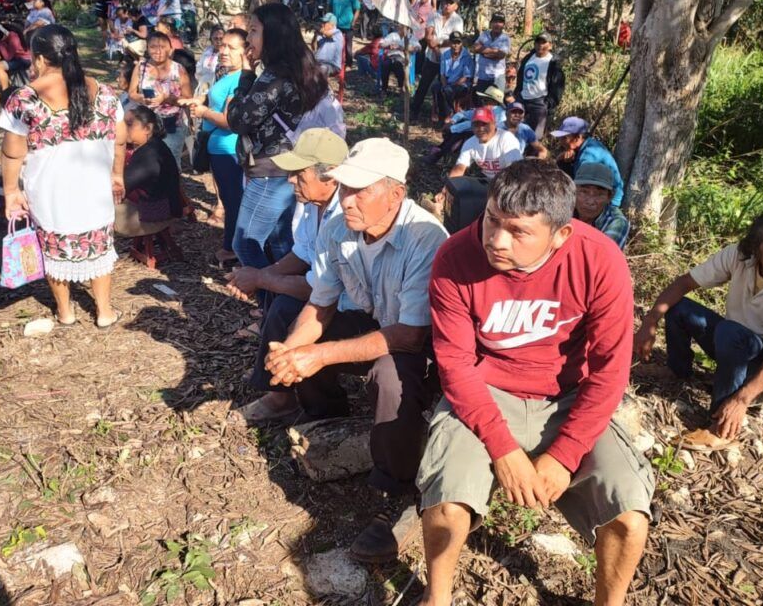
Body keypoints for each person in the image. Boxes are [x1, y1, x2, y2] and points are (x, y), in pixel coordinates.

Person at [416, 160, 654, 606]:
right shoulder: (454, 258)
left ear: (561, 234)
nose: (496, 240)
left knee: (629, 513)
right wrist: (504, 450)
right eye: (491, 220)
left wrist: (564, 456)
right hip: (485, 392)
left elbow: (609, 370)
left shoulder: (600, 260)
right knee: (447, 499)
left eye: (519, 232)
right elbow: (456, 365)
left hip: (569, 396)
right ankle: (438, 596)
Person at [257, 138, 448, 562]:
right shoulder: (337, 229)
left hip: (427, 341)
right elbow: (320, 304)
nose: (347, 201)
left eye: (361, 190)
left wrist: (320, 355)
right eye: (344, 188)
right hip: (381, 320)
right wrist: (291, 352)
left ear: (396, 193)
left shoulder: (426, 239)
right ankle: (326, 421)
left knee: (391, 376)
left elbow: (412, 336)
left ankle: (396, 493)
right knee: (302, 331)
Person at [634, 211, 763, 450]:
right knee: (681, 307)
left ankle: (720, 427)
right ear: (756, 248)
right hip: (735, 342)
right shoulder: (739, 257)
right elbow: (684, 283)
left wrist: (741, 400)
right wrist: (650, 323)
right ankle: (678, 371)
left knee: (731, 333)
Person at [0, 25, 126, 328]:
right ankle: (105, 311)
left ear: (40, 59)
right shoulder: (106, 92)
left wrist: (10, 191)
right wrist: (117, 174)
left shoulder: (24, 98)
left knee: (53, 250)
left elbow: (12, 153)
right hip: (95, 189)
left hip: (50, 192)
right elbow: (120, 140)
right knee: (99, 246)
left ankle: (66, 311)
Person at [228, 129, 350, 422]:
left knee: (288, 309)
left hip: (354, 303)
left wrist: (260, 278)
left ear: (330, 176)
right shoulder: (313, 205)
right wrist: (259, 274)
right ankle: (277, 377)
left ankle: (308, 405)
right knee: (279, 297)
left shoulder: (346, 215)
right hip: (331, 292)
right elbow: (303, 253)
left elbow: (322, 290)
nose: (291, 180)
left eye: (299, 173)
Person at [226, 3, 328, 283]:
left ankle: (269, 300)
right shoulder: (298, 68)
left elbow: (238, 119)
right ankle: (283, 311)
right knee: (281, 244)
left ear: (273, 35)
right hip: (285, 166)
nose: (249, 40)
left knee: (245, 243)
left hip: (270, 171)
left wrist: (246, 75)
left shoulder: (274, 76)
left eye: (254, 31)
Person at [185, 28, 256, 265]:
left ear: (245, 51)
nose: (223, 51)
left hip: (227, 149)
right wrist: (201, 100)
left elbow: (229, 121)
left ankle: (232, 249)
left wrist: (204, 112)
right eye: (222, 45)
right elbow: (216, 97)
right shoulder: (228, 74)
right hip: (218, 148)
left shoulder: (240, 81)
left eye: (231, 47)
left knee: (233, 199)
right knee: (229, 197)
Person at [114, 105, 183, 238]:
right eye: (123, 124)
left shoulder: (149, 155)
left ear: (147, 128)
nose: (123, 128)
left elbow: (121, 188)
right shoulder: (154, 146)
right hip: (164, 207)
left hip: (156, 215)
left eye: (129, 124)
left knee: (97, 208)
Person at [127, 31, 193, 167]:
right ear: (147, 48)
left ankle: (173, 187)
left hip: (173, 123)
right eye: (153, 47)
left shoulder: (178, 69)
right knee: (145, 160)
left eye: (162, 47)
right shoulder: (141, 68)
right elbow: (132, 93)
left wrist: (167, 98)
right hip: (146, 123)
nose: (158, 51)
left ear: (170, 49)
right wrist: (143, 99)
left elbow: (187, 99)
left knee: (170, 162)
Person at [412, 0, 464, 120]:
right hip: (432, 57)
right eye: (445, 2)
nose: (447, 5)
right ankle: (413, 112)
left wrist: (438, 42)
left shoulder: (458, 20)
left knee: (443, 88)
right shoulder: (433, 15)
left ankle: (442, 116)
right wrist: (435, 49)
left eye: (450, 3)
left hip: (447, 60)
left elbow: (455, 40)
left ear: (455, 6)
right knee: (423, 85)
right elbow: (428, 36)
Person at [551, 116, 624, 207]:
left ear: (577, 137)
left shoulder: (588, 155)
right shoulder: (585, 147)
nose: (561, 142)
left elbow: (582, 186)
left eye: (564, 138)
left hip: (608, 201)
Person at [447, 107, 523, 182]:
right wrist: (446, 190)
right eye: (476, 124)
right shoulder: (470, 143)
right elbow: (459, 168)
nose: (480, 128)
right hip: (487, 179)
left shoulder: (507, 139)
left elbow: (515, 172)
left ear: (494, 123)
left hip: (506, 181)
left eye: (485, 124)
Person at [514, 32, 565, 139]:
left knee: (535, 136)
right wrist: (517, 94)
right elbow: (520, 76)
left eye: (543, 43)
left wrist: (549, 103)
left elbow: (558, 85)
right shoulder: (528, 58)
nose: (540, 45)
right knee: (516, 130)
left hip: (539, 102)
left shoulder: (553, 62)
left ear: (550, 45)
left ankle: (533, 154)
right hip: (522, 99)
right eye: (538, 42)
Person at [573, 163, 630, 250]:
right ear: (573, 191)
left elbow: (599, 257)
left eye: (599, 194)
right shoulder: (563, 210)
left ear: (610, 197)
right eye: (584, 192)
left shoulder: (616, 222)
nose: (590, 201)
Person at [432, 30, 473, 118]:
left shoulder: (466, 56)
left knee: (448, 91)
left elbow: (466, 77)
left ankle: (450, 114)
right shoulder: (445, 55)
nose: (456, 45)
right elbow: (442, 74)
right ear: (450, 43)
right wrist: (445, 85)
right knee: (436, 87)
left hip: (461, 84)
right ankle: (441, 115)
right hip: (448, 82)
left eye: (458, 43)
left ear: (461, 43)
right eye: (453, 43)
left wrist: (450, 86)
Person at [0, 21, 31, 102]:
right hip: (11, 58)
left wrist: (2, 43)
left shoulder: (13, 37)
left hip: (23, 59)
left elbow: (8, 56)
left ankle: (6, 94)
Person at [471, 13, 511, 92]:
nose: (497, 24)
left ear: (503, 25)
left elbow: (501, 55)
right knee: (481, 102)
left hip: (497, 76)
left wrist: (482, 51)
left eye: (500, 22)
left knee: (497, 101)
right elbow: (474, 48)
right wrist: (495, 51)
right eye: (495, 21)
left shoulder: (505, 38)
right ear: (491, 23)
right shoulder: (484, 34)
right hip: (482, 76)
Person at [380, 24, 420, 94]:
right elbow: (381, 44)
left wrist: (406, 48)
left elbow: (419, 48)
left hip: (403, 57)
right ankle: (384, 89)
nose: (401, 29)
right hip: (391, 56)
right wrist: (390, 46)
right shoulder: (393, 35)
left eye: (404, 27)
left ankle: (402, 87)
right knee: (385, 65)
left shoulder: (411, 37)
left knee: (398, 65)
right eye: (401, 27)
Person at [329, 0, 360, 68]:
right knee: (334, 43)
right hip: (335, 24)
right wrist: (329, 18)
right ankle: (335, 61)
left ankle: (349, 62)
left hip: (348, 25)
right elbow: (329, 6)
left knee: (348, 45)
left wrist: (354, 21)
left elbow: (357, 9)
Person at [195, 26, 225, 94]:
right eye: (215, 38)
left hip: (216, 87)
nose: (218, 41)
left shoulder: (225, 54)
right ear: (211, 39)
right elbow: (199, 67)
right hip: (203, 85)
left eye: (221, 38)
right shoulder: (207, 51)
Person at [315, 13, 345, 77]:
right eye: (322, 22)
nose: (322, 24)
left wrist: (320, 30)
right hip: (318, 62)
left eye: (325, 23)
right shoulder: (322, 34)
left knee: (322, 69)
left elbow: (329, 35)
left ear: (332, 24)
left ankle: (323, 86)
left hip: (332, 65)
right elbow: (314, 47)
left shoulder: (337, 32)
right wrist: (315, 35)